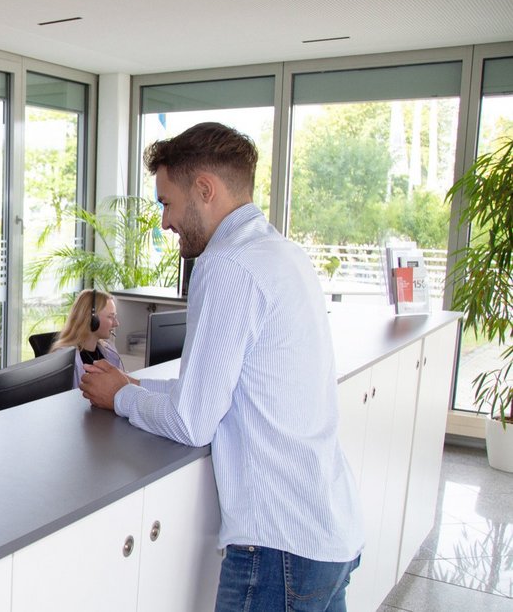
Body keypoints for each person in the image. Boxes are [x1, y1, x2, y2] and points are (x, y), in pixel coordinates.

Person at [79, 122, 362, 611]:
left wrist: (120, 397)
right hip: (326, 531)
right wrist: (133, 384)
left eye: (167, 202)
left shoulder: (227, 263)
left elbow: (194, 422)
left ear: (204, 189)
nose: (164, 222)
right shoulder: (281, 253)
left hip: (280, 551)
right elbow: (226, 389)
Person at [51, 289, 124, 388]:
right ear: (92, 320)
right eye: (111, 317)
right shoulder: (65, 359)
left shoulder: (109, 350)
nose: (116, 323)